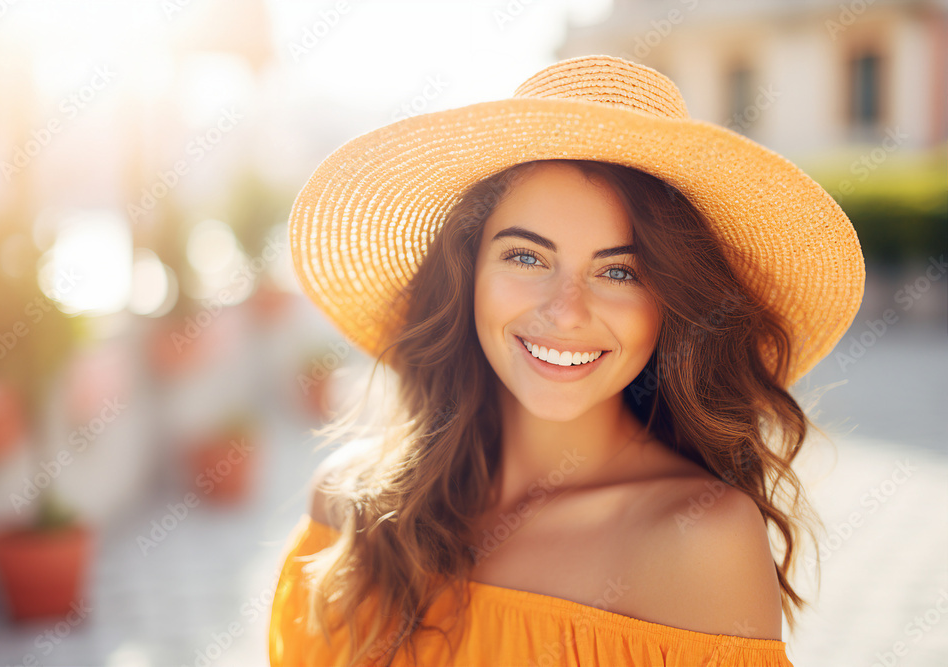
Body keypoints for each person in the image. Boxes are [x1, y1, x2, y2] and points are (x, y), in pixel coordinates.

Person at [268, 55, 865, 667]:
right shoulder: (350, 505)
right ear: (467, 274)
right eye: (526, 257)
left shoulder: (700, 540)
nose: (567, 311)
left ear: (671, 305)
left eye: (620, 271)